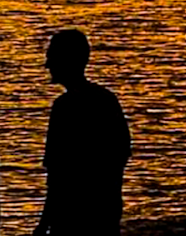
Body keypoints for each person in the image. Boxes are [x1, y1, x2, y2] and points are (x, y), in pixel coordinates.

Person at [35, 28, 131, 236]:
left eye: (52, 56)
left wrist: (43, 224)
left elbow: (58, 174)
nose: (47, 64)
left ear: (65, 60)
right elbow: (121, 155)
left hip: (73, 220)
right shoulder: (107, 99)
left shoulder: (65, 107)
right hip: (106, 214)